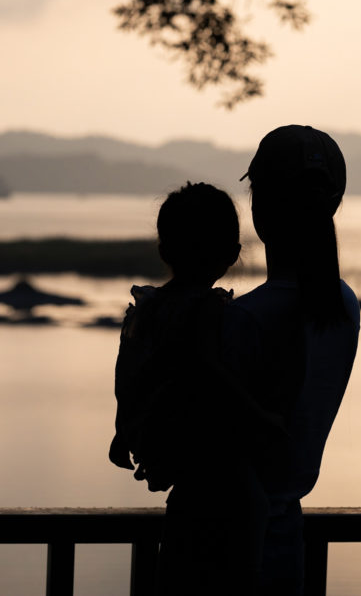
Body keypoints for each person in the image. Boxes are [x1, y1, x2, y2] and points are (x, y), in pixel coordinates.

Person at [109, 181, 283, 595]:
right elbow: (205, 368)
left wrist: (123, 432)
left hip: (187, 486)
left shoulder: (148, 309)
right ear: (231, 252)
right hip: (225, 483)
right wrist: (263, 419)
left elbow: (128, 376)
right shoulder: (206, 307)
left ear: (164, 249)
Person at [226, 124, 361, 595]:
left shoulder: (241, 320)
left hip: (220, 547)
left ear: (259, 206)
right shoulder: (343, 306)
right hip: (286, 544)